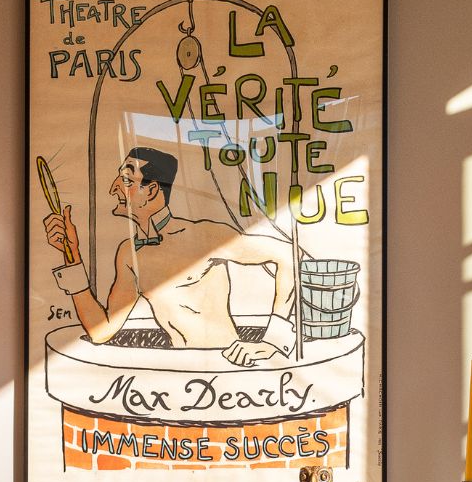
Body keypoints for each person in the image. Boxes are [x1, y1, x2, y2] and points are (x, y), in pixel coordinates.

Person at [44, 145, 299, 366]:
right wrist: (72, 255)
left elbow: (288, 254)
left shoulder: (203, 235)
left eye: (126, 180)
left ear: (152, 190)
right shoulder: (129, 253)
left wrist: (273, 341)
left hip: (229, 365)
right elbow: (102, 331)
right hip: (180, 369)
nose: (114, 188)